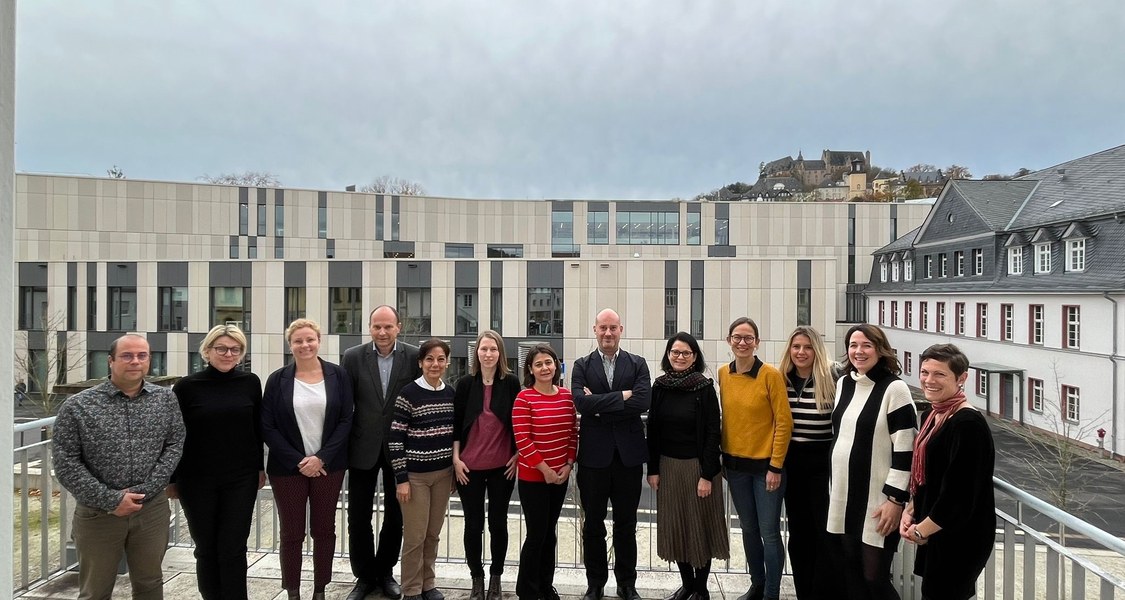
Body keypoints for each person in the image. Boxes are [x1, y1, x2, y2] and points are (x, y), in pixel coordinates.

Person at [53, 334, 186, 600]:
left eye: (142, 355)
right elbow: (65, 463)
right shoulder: (78, 406)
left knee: (150, 584)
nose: (135, 361)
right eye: (127, 356)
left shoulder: (165, 399)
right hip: (99, 514)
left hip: (151, 510)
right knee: (95, 590)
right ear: (110, 361)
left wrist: (145, 490)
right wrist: (112, 499)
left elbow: (174, 444)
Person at [168, 324, 264, 599]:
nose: (228, 353)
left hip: (241, 478)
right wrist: (172, 479)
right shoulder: (186, 386)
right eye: (221, 348)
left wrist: (259, 467)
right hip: (197, 479)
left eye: (235, 349)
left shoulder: (250, 382)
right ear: (207, 351)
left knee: (233, 546)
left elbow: (256, 429)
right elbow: (174, 435)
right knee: (206, 547)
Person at [262, 319, 354, 600]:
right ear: (290, 345)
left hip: (329, 467)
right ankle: (292, 590)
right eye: (298, 341)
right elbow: (267, 426)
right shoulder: (278, 379)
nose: (305, 345)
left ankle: (319, 589)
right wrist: (300, 461)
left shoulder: (338, 375)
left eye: (310, 340)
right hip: (288, 469)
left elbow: (346, 419)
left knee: (324, 530)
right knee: (291, 533)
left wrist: (321, 458)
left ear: (319, 340)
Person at [827, 324, 916, 600]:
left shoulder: (895, 389)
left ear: (880, 349)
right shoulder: (844, 383)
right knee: (851, 572)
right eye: (853, 345)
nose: (858, 351)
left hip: (877, 503)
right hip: (843, 496)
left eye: (866, 345)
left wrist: (895, 501)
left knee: (874, 578)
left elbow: (906, 450)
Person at [900, 344, 995, 600]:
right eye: (924, 372)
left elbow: (960, 495)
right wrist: (912, 509)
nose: (929, 380)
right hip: (937, 529)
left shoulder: (968, 425)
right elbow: (928, 477)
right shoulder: (932, 415)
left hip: (959, 536)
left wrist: (921, 531)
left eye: (939, 374)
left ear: (962, 378)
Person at [572, 308, 652, 600]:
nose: (608, 333)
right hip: (593, 459)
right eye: (603, 328)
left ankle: (626, 584)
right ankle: (595, 584)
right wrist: (622, 397)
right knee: (592, 524)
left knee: (626, 525)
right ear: (594, 329)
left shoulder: (638, 364)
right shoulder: (581, 365)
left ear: (621, 329)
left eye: (613, 328)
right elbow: (581, 403)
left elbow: (643, 401)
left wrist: (600, 403)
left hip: (627, 459)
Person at [342, 305, 421, 600]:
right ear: (369, 328)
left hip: (400, 449)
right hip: (362, 447)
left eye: (388, 326)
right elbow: (345, 404)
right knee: (358, 516)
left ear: (399, 326)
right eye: (377, 327)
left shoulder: (414, 356)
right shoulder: (352, 357)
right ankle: (363, 577)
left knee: (396, 515)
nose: (383, 332)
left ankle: (386, 572)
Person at [646, 332, 729, 600]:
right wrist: (653, 469)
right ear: (668, 355)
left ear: (695, 358)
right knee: (676, 527)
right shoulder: (659, 386)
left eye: (686, 353)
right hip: (668, 467)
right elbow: (654, 430)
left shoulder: (704, 387)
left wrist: (707, 474)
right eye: (675, 352)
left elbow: (712, 432)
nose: (680, 357)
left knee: (700, 527)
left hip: (698, 469)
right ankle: (688, 586)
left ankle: (701, 589)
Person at [718, 318, 793, 600]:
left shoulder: (770, 376)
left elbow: (784, 423)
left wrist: (776, 466)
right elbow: (729, 418)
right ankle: (757, 584)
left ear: (757, 343)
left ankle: (772, 592)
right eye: (737, 337)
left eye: (749, 338)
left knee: (769, 532)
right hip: (735, 467)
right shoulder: (723, 373)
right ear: (729, 341)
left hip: (766, 469)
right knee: (748, 530)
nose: (742, 343)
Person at [452, 330, 521, 600]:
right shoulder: (465, 384)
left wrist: (517, 455)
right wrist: (455, 459)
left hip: (502, 467)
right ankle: (476, 578)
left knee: (498, 523)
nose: (488, 354)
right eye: (484, 349)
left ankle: (496, 577)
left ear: (500, 353)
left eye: (493, 349)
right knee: (473, 524)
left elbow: (519, 422)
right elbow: (457, 424)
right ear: (476, 353)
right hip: (468, 467)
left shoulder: (512, 383)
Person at [388, 338, 457, 600]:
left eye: (440, 359)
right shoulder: (409, 393)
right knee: (415, 537)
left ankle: (428, 583)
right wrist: (402, 479)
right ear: (420, 363)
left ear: (447, 362)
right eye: (429, 359)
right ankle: (411, 588)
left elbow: (453, 436)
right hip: (415, 478)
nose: (435, 364)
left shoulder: (450, 393)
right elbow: (396, 438)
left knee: (432, 534)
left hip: (443, 476)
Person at [777, 326, 840, 600]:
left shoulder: (834, 376)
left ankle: (823, 592)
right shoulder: (781, 379)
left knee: (824, 532)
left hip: (823, 461)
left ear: (817, 350)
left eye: (807, 347)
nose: (801, 352)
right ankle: (804, 591)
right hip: (792, 461)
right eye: (796, 347)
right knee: (799, 533)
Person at [512, 343, 578, 600]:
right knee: (536, 533)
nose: (544, 368)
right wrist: (545, 470)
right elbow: (523, 440)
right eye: (538, 364)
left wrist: (568, 464)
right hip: (533, 478)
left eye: (548, 362)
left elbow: (573, 434)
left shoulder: (566, 397)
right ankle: (527, 590)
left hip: (560, 477)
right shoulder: (523, 398)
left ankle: (545, 585)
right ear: (530, 369)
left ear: (556, 365)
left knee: (549, 533)